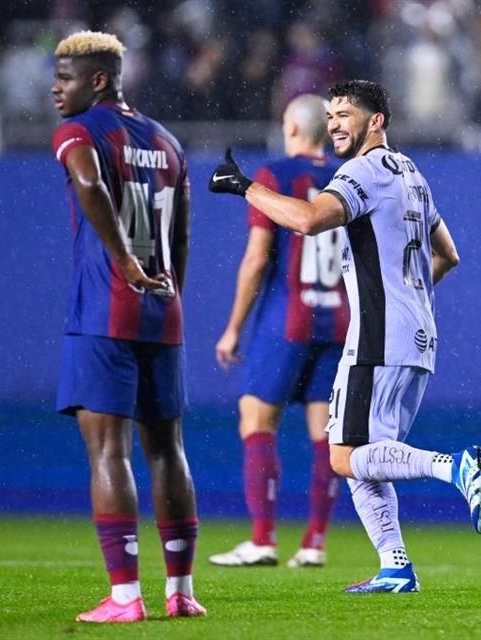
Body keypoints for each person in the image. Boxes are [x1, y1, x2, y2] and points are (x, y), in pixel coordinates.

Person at [209, 79, 481, 594]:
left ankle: (453, 467)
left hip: (378, 335)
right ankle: (395, 567)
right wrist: (408, 293)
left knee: (344, 455)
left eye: (346, 114)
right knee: (367, 456)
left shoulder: (361, 171)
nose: (336, 123)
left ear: (376, 121)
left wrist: (243, 186)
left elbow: (309, 219)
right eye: (331, 115)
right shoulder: (411, 174)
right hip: (415, 334)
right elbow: (448, 255)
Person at [49, 30, 205, 622]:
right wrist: (171, 296)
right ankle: (181, 591)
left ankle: (124, 598)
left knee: (107, 449)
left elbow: (89, 184)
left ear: (97, 80)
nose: (54, 89)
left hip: (104, 311)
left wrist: (122, 261)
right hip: (162, 311)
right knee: (167, 450)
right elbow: (184, 234)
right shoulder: (168, 143)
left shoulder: (79, 131)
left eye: (64, 79)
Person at [209, 94, 346, 569]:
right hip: (338, 320)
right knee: (324, 436)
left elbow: (257, 257)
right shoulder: (346, 179)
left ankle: (263, 538)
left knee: (257, 421)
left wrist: (232, 328)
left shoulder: (273, 175)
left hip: (287, 318)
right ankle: (314, 542)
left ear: (291, 127)